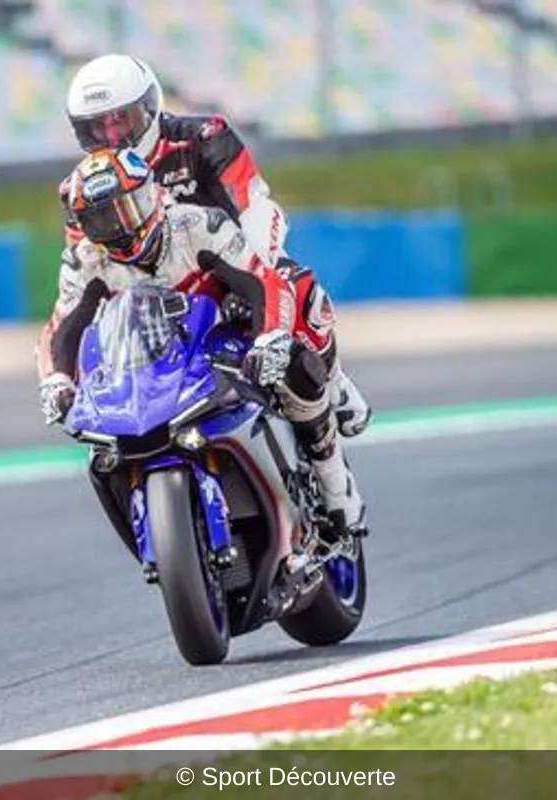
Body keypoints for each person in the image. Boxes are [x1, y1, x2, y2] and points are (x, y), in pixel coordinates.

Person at [36, 146, 368, 540]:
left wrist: (270, 338)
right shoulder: (86, 260)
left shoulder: (198, 225)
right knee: (102, 446)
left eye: (127, 208)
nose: (119, 227)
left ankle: (335, 483)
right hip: (155, 362)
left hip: (228, 333)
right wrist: (56, 379)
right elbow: (61, 329)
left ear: (150, 194)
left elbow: (262, 282)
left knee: (296, 365)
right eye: (102, 219)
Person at [54, 52, 371, 441]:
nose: (112, 137)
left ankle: (335, 385)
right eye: (95, 129)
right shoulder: (84, 188)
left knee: (300, 291)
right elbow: (92, 257)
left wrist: (253, 272)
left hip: (230, 254)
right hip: (159, 283)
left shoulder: (205, 137)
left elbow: (252, 209)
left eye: (121, 120)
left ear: (150, 108)